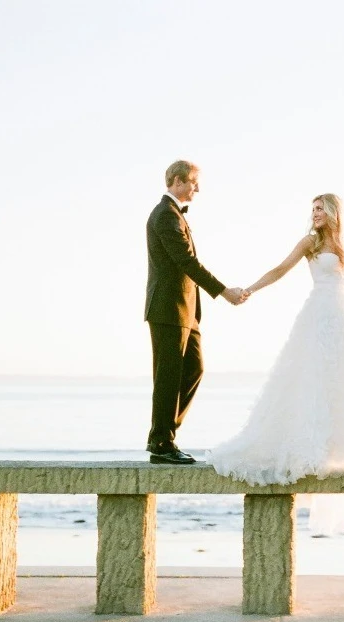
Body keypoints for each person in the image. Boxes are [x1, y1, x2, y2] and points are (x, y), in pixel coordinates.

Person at [209, 193, 344, 533]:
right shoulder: (310, 243)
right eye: (311, 209)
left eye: (319, 209)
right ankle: (315, 447)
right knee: (315, 380)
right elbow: (280, 269)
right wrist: (249, 289)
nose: (313, 214)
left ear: (332, 212)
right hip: (320, 317)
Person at [144, 160, 249, 464]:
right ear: (177, 181)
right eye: (193, 182)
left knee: (193, 368)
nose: (197, 188)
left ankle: (165, 434)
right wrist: (223, 291)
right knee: (167, 376)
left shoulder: (174, 214)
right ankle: (161, 443)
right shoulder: (165, 215)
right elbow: (187, 262)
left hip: (186, 311)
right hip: (167, 308)